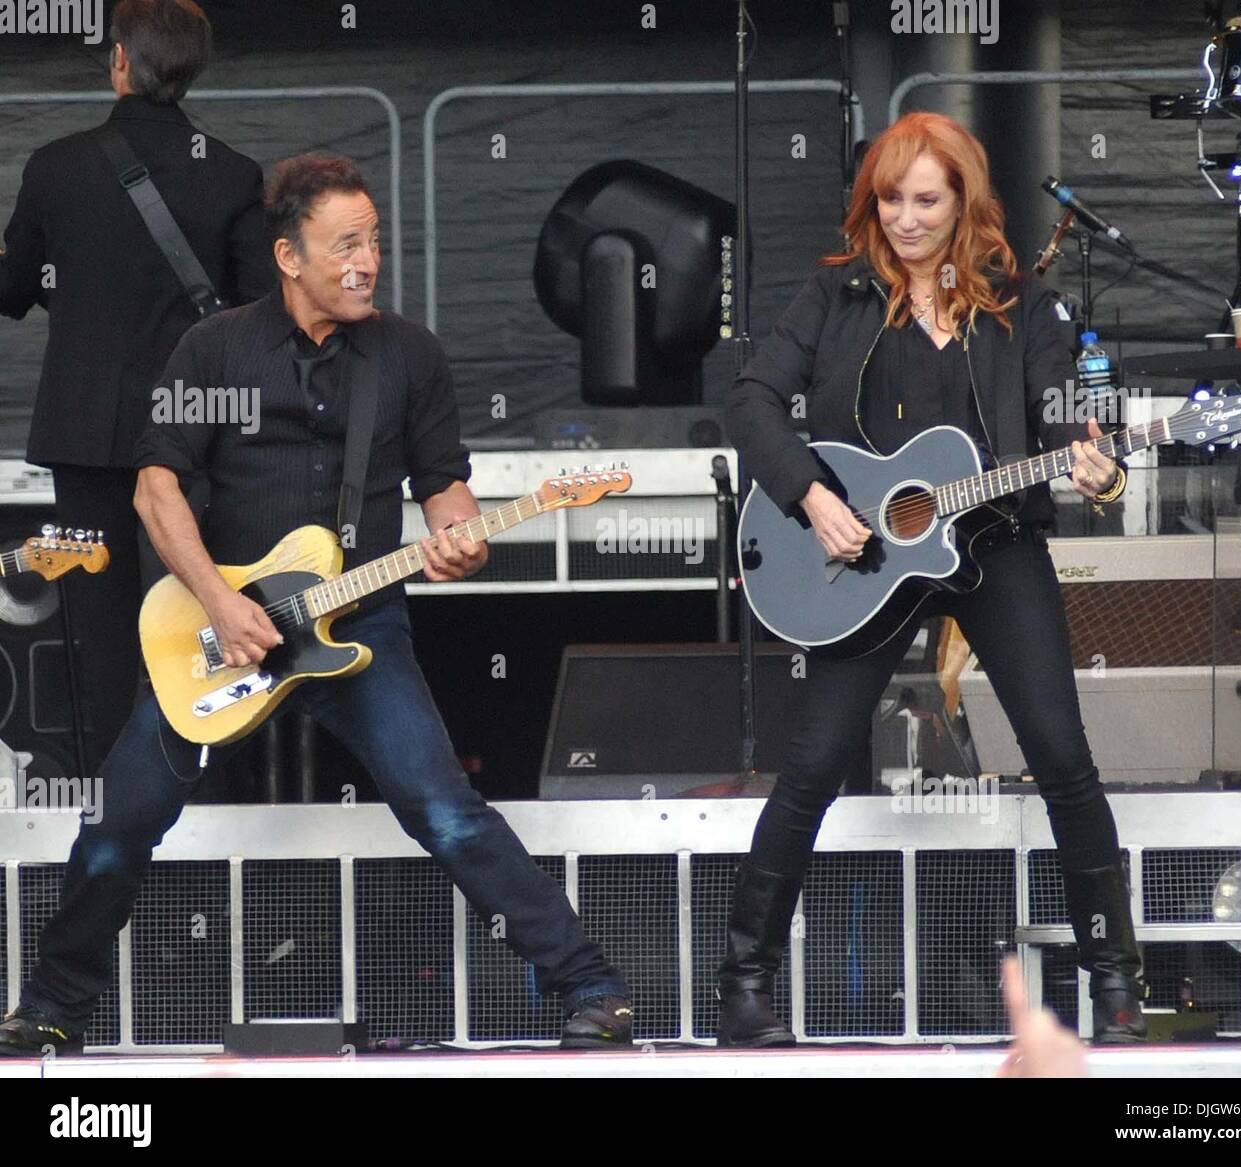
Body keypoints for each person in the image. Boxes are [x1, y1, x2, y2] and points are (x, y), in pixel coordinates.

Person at [0, 153, 633, 1055]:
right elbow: (154, 491)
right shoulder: (213, 350)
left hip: (358, 621)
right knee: (120, 819)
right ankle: (56, 1006)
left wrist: (465, 540)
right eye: (345, 245)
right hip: (223, 628)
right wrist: (220, 602)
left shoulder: (410, 355)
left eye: (373, 242)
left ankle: (593, 986)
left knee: (445, 809)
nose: (367, 261)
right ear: (289, 255)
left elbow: (446, 490)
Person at [718, 111, 1144, 1047]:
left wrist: (1094, 460)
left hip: (993, 549)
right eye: (891, 199)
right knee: (815, 763)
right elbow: (749, 398)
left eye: (926, 201)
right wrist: (812, 496)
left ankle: (1115, 983)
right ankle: (745, 984)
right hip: (868, 554)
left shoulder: (1018, 302)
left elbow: (1061, 408)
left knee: (1064, 758)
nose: (906, 220)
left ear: (963, 202)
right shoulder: (839, 294)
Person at [0, 0, 275, 774]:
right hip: (196, 438)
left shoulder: (56, 166)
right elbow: (259, 317)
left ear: (120, 60)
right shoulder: (232, 174)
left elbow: (13, 288)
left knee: (101, 628)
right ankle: (207, 791)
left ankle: (111, 805)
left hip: (85, 434)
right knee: (207, 616)